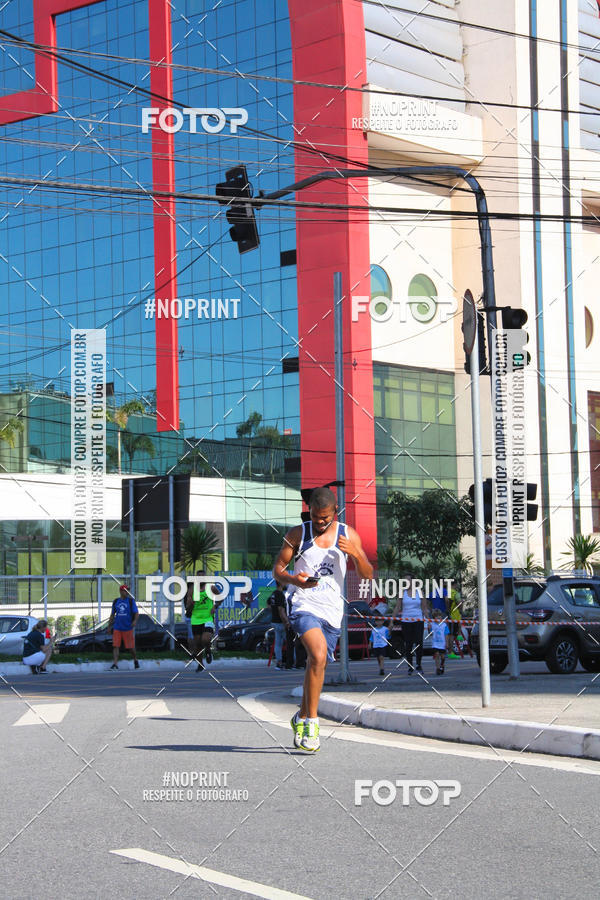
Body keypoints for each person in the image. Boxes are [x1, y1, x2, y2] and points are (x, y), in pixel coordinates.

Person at [273, 486, 373, 752]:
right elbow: (278, 570)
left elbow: (368, 575)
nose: (319, 522)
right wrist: (294, 580)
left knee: (316, 666)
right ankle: (313, 724)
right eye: (315, 516)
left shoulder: (347, 535)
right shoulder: (298, 534)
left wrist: (357, 553)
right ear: (310, 511)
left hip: (332, 612)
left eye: (324, 518)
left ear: (334, 512)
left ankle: (301, 716)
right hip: (304, 604)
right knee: (316, 656)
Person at [391, 578, 429, 675]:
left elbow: (424, 608)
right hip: (406, 621)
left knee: (419, 642)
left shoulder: (419, 592)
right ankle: (410, 666)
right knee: (408, 644)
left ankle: (419, 665)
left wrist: (428, 621)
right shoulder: (402, 593)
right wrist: (392, 620)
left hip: (418, 620)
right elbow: (397, 607)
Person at [185, 569, 220, 671]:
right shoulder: (191, 590)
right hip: (196, 619)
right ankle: (201, 664)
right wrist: (190, 604)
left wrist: (215, 606)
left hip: (208, 618)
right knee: (198, 643)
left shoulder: (211, 588)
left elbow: (220, 596)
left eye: (203, 576)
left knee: (205, 639)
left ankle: (208, 650)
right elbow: (187, 607)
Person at [108, 584, 139, 670]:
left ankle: (135, 660)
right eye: (125, 591)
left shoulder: (131, 601)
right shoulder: (116, 601)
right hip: (117, 627)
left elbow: (136, 613)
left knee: (130, 647)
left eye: (128, 591)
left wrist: (135, 621)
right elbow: (112, 615)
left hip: (127, 628)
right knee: (115, 646)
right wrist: (109, 626)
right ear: (121, 591)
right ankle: (115, 663)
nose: (127, 592)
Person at [267, 581, 289, 669]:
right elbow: (281, 610)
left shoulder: (273, 594)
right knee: (289, 642)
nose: (286, 584)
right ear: (281, 583)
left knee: (278, 643)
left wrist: (273, 611)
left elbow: (268, 604)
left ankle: (279, 661)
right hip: (280, 622)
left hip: (274, 621)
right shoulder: (280, 594)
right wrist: (286, 622)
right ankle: (292, 661)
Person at [429, 608, 450, 675]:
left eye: (439, 616)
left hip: (442, 643)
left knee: (443, 656)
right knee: (437, 655)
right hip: (435, 643)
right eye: (436, 616)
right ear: (434, 617)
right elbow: (431, 634)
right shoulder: (432, 624)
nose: (438, 617)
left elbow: (446, 634)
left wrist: (447, 643)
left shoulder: (444, 625)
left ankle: (442, 665)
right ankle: (438, 668)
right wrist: (429, 628)